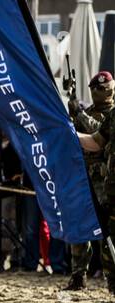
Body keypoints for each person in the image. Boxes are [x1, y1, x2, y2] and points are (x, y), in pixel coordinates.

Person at [66, 71, 114, 290]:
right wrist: (71, 104)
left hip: (102, 177)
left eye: (107, 88)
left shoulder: (111, 113)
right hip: (82, 174)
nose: (105, 93)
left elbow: (97, 133)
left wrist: (78, 110)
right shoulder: (87, 110)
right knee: (79, 222)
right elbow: (73, 130)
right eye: (101, 89)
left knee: (106, 226)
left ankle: (110, 274)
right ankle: (78, 273)